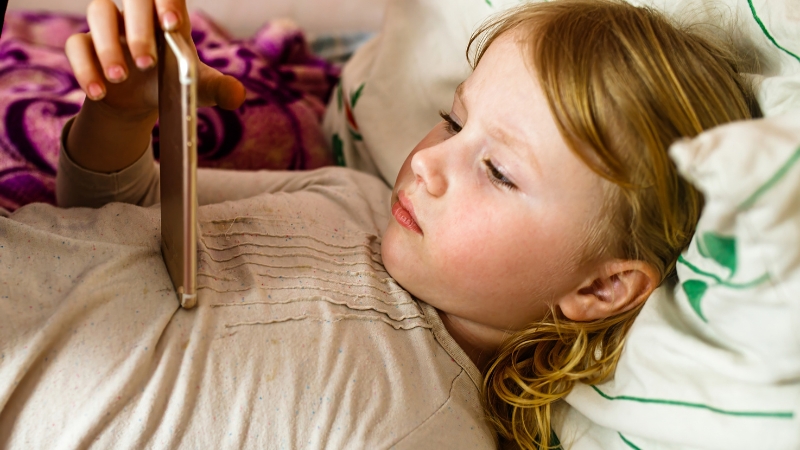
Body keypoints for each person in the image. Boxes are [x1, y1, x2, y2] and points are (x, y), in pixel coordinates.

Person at [0, 0, 757, 448]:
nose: (428, 162)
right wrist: (120, 115)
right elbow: (111, 210)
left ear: (599, 286)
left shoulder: (422, 429)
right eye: (450, 120)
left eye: (496, 170)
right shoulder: (349, 198)